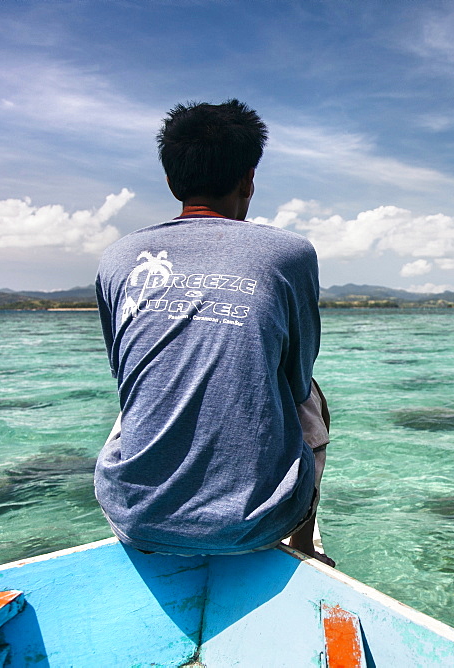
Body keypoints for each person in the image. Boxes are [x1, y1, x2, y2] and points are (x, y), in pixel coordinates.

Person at [93, 99, 333, 565]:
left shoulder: (118, 257)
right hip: (255, 522)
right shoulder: (290, 253)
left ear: (170, 181)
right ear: (249, 178)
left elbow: (123, 371)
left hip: (133, 519)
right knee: (312, 398)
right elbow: (297, 375)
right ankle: (301, 544)